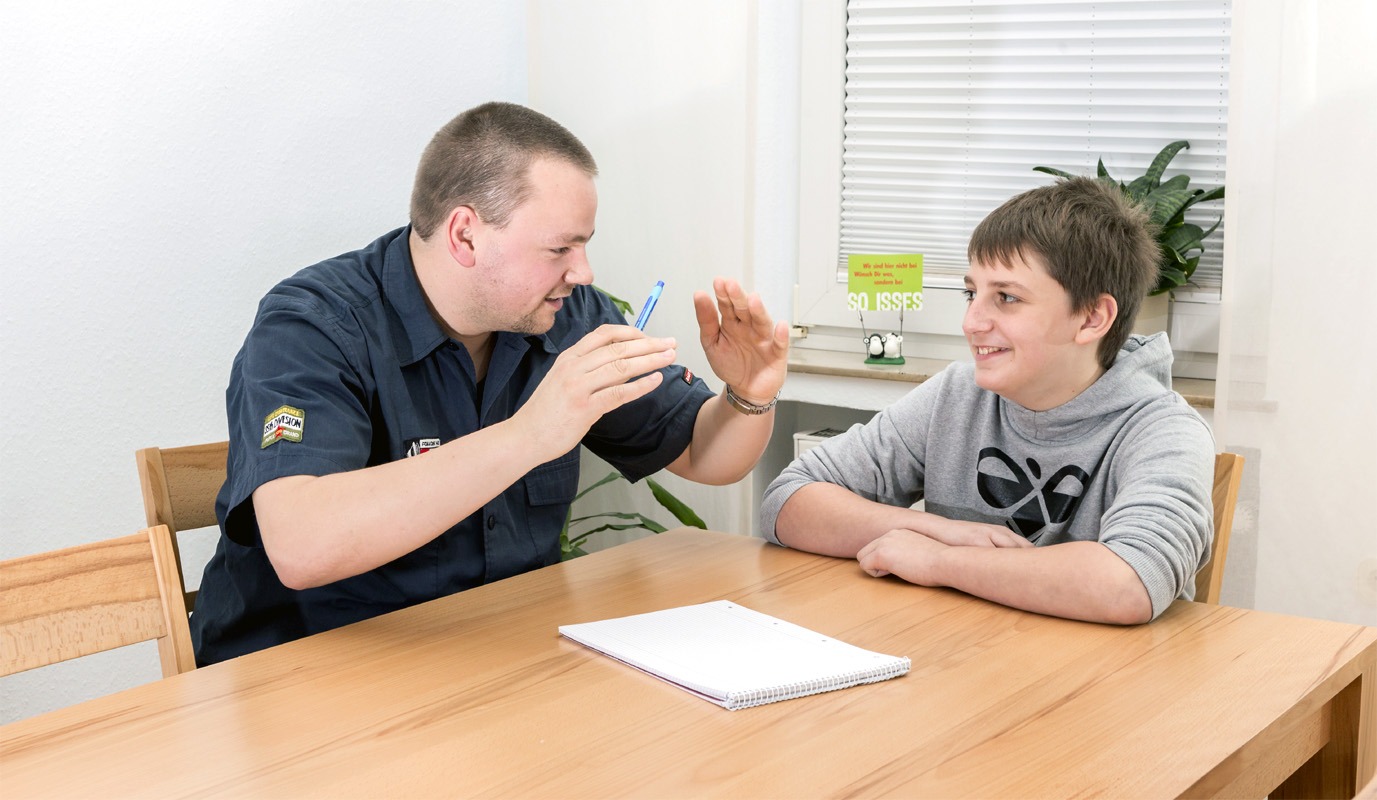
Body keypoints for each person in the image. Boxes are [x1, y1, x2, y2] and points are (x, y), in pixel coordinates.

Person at [192, 101, 790, 665]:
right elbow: (302, 545)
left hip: (485, 657)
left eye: (583, 246)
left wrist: (749, 394)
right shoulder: (313, 326)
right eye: (560, 247)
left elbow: (702, 454)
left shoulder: (568, 313)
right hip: (306, 677)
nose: (582, 272)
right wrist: (532, 432)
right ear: (465, 235)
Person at [761, 177, 1214, 625]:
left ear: (1093, 318)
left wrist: (940, 561)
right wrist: (943, 531)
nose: (972, 322)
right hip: (967, 665)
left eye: (1007, 297)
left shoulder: (1164, 429)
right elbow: (787, 502)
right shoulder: (955, 395)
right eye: (971, 293)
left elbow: (1128, 584)